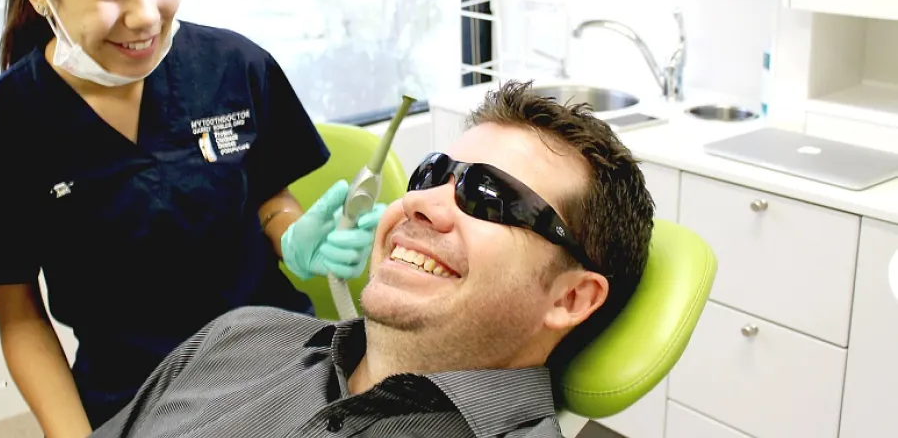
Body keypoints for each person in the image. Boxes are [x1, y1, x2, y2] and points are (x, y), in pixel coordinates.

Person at [0, 0, 385, 436]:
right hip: (140, 401)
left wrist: (293, 233)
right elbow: (21, 320)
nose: (146, 13)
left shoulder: (234, 66)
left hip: (289, 370)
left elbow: (268, 199)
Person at [89, 80, 656, 438]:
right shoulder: (239, 337)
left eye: (489, 196)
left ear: (571, 297)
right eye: (431, 174)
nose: (420, 204)